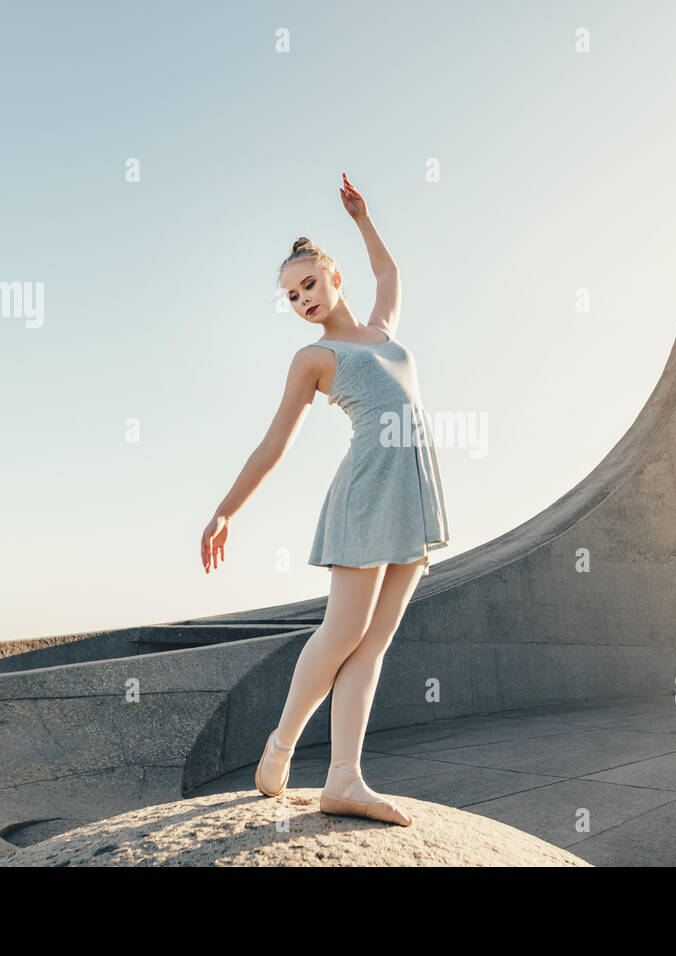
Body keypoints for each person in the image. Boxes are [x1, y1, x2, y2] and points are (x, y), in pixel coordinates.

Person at [199, 172, 450, 826]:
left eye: (308, 283)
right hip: (367, 495)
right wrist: (227, 509)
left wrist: (363, 216)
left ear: (334, 277)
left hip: (414, 495)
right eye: (289, 295)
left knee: (373, 644)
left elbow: (390, 270)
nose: (301, 299)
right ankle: (280, 747)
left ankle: (345, 779)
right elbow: (273, 443)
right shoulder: (314, 358)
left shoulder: (383, 330)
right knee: (342, 633)